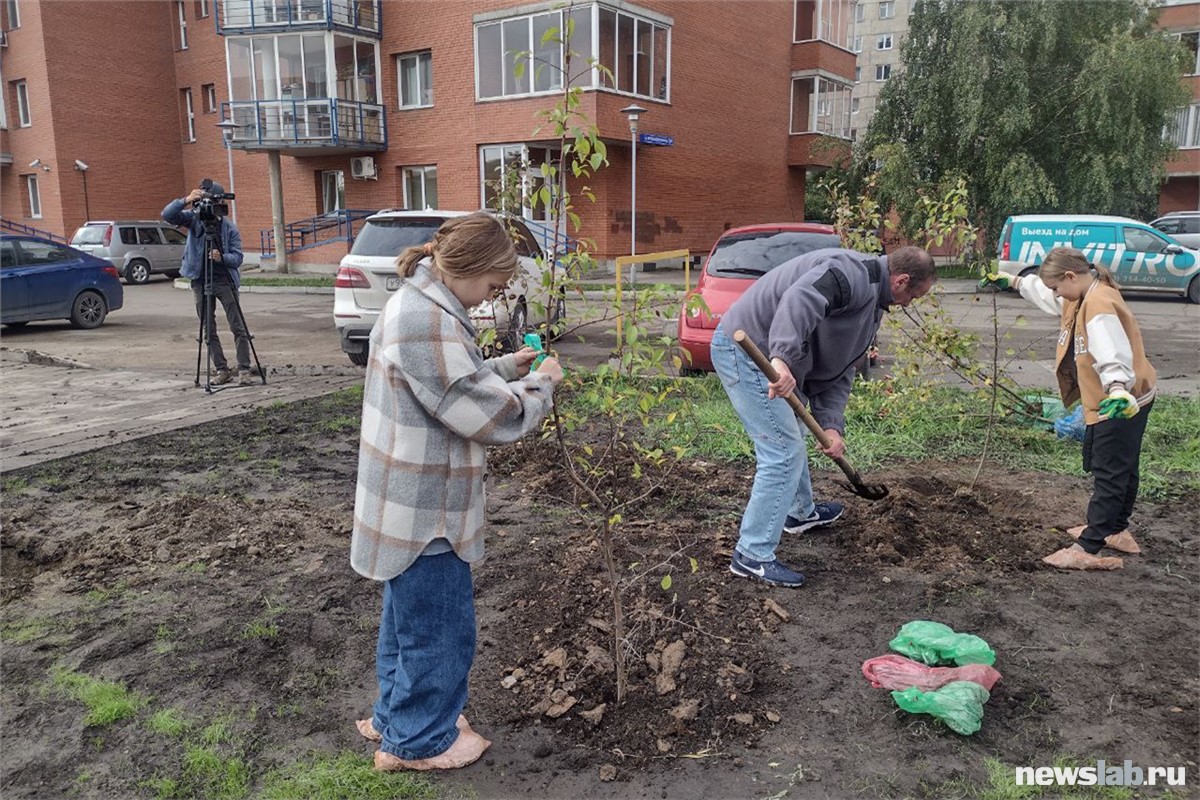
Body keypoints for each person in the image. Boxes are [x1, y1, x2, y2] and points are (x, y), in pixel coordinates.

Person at [350, 213, 563, 771]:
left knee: (408, 621)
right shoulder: (428, 321)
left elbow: (445, 379)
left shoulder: (420, 303)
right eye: (492, 286)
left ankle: (395, 717)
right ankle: (419, 742)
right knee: (441, 631)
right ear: (468, 269)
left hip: (407, 499)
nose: (488, 299)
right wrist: (540, 385)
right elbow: (487, 417)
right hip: (427, 509)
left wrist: (500, 365)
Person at [712, 246, 937, 587]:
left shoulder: (873, 305)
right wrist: (782, 358)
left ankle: (800, 513)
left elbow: (842, 370)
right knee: (782, 453)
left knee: (795, 434)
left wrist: (832, 425)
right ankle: (752, 555)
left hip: (773, 356)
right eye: (914, 296)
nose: (910, 304)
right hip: (750, 350)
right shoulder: (848, 273)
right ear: (902, 280)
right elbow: (799, 300)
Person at [982, 248, 1155, 570]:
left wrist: (1117, 388)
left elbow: (1110, 349)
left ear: (1071, 276)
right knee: (1125, 466)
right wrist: (1015, 282)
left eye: (1056, 286)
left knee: (1110, 471)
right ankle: (1117, 530)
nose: (1055, 295)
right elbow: (1055, 301)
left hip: (1117, 401)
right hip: (1134, 395)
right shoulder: (1085, 294)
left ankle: (1089, 547)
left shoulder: (1098, 306)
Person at [162, 182, 252, 386]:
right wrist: (186, 200)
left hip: (224, 281)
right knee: (208, 329)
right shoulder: (194, 219)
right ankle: (222, 370)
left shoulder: (229, 229)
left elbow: (237, 258)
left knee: (237, 326)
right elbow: (167, 215)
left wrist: (223, 258)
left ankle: (244, 369)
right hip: (200, 280)